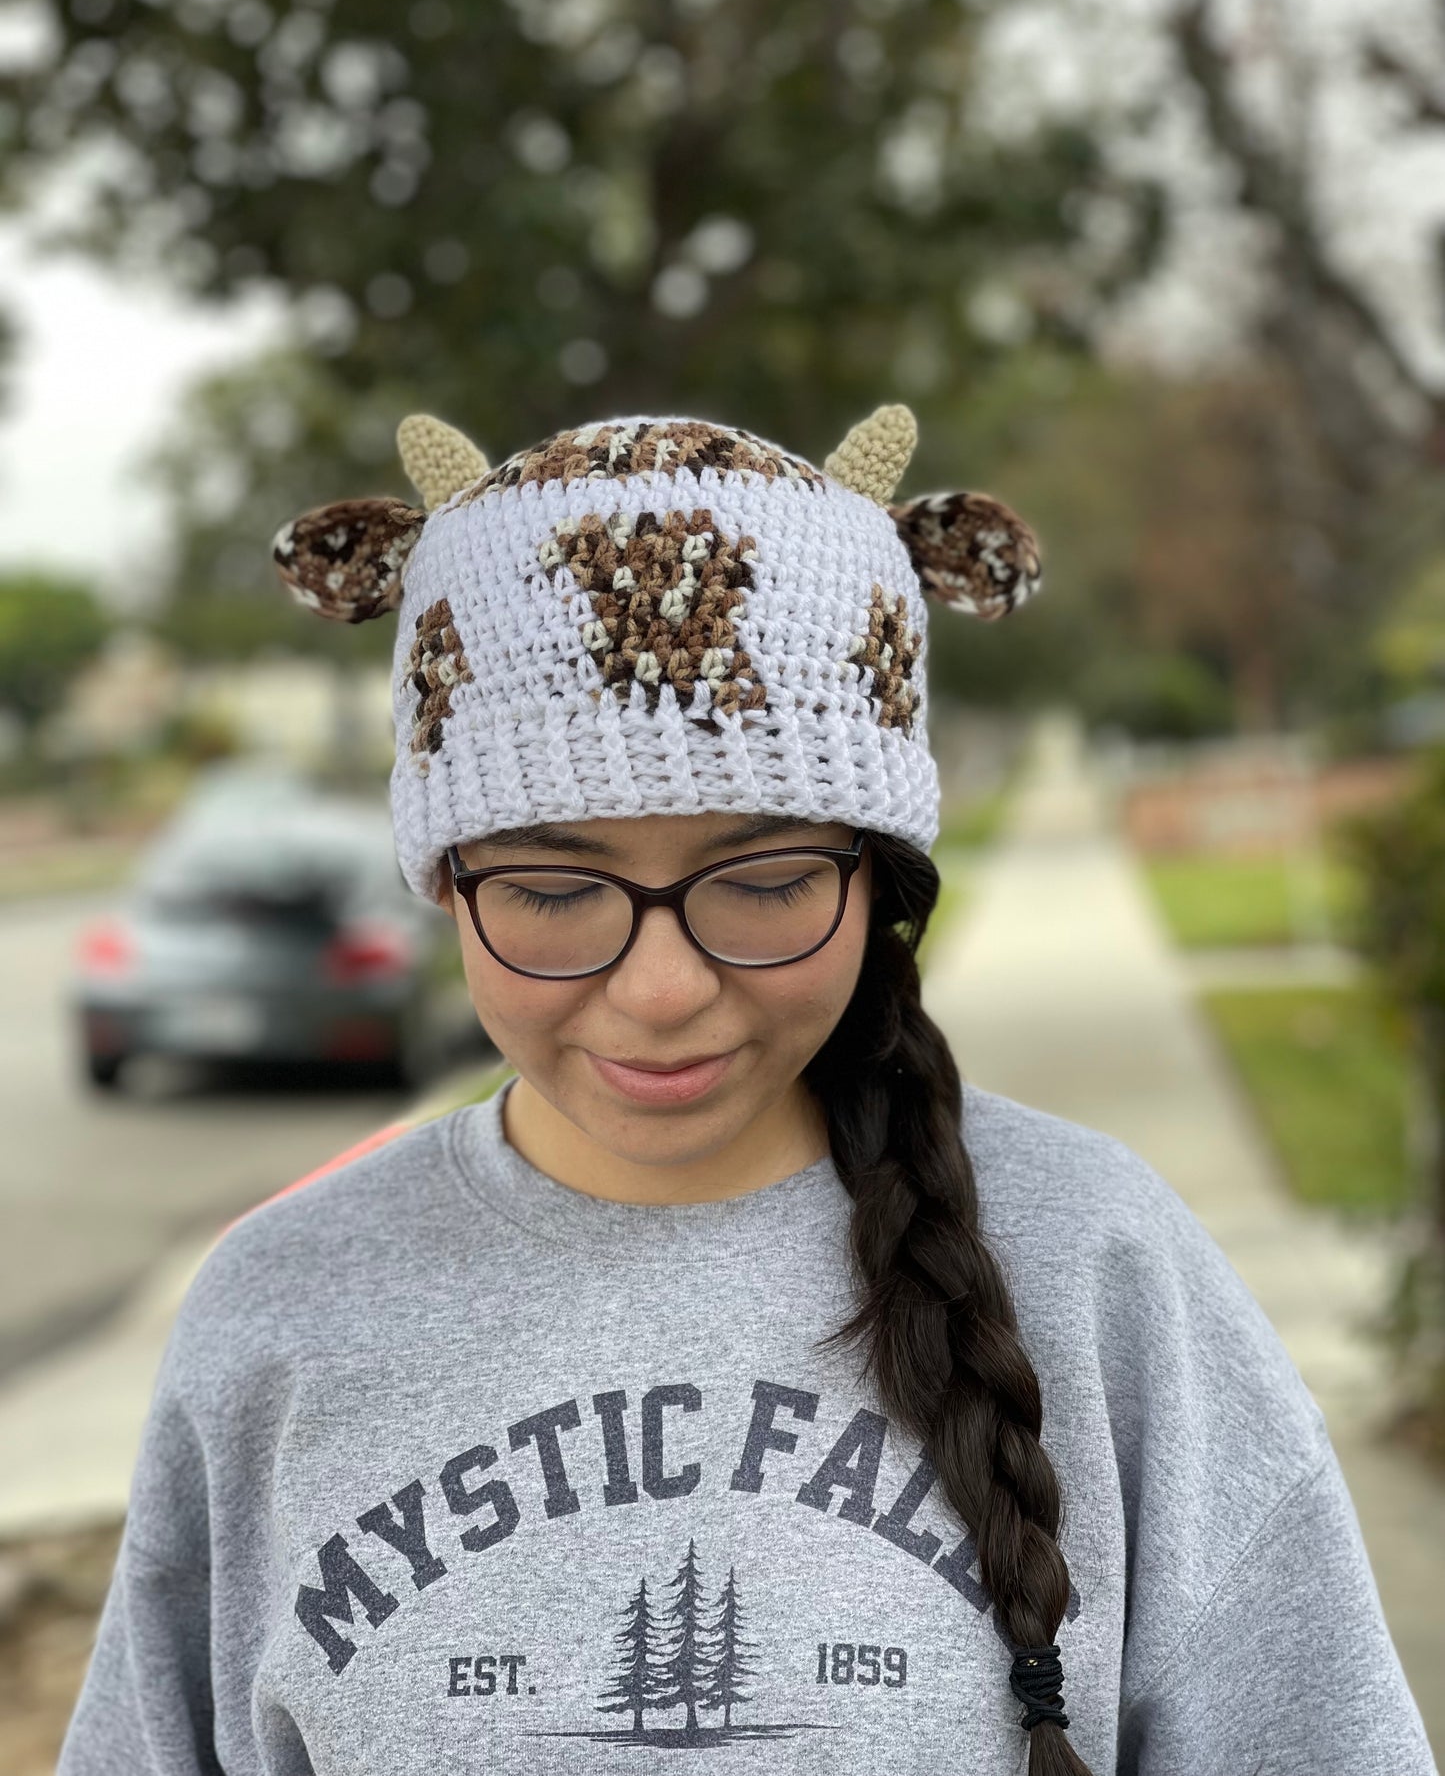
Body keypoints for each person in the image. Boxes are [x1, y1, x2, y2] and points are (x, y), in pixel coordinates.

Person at [59, 408, 1435, 1776]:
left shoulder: (1097, 1267)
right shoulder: (281, 1313)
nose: (660, 987)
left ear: (873, 882)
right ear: (445, 886)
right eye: (550, 889)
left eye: (767, 882)